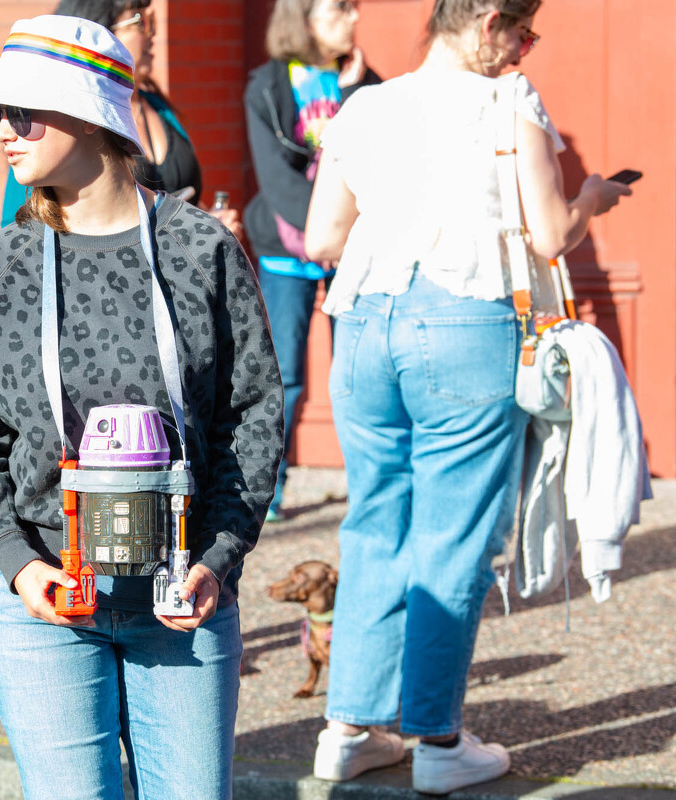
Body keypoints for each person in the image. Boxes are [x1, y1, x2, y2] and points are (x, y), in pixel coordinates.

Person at [0, 15, 282, 799]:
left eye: (18, 112)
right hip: (42, 603)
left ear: (89, 111)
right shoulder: (2, 264)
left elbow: (253, 416)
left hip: (180, 597)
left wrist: (219, 560)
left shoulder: (201, 249)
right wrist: (18, 566)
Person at [301, 0, 631, 794]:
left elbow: (322, 240)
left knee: (377, 521)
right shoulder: (508, 100)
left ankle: (349, 729)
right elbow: (551, 234)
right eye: (523, 32)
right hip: (462, 319)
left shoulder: (366, 105)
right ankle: (439, 741)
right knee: (453, 536)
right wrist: (591, 197)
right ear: (486, 23)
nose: (525, 49)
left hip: (365, 320)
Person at [243, 0, 378, 523]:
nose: (353, 18)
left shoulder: (366, 84)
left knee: (357, 369)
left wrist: (349, 91)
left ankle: (368, 483)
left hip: (353, 248)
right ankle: (267, 493)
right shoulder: (268, 84)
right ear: (304, 18)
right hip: (287, 245)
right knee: (286, 375)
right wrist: (324, 231)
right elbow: (274, 175)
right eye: (340, 8)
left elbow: (370, 155)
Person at [0, 0, 244, 240]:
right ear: (99, 33)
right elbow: (17, 228)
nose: (151, 35)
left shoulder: (159, 108)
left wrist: (210, 226)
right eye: (140, 21)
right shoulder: (49, 135)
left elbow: (186, 197)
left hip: (181, 272)